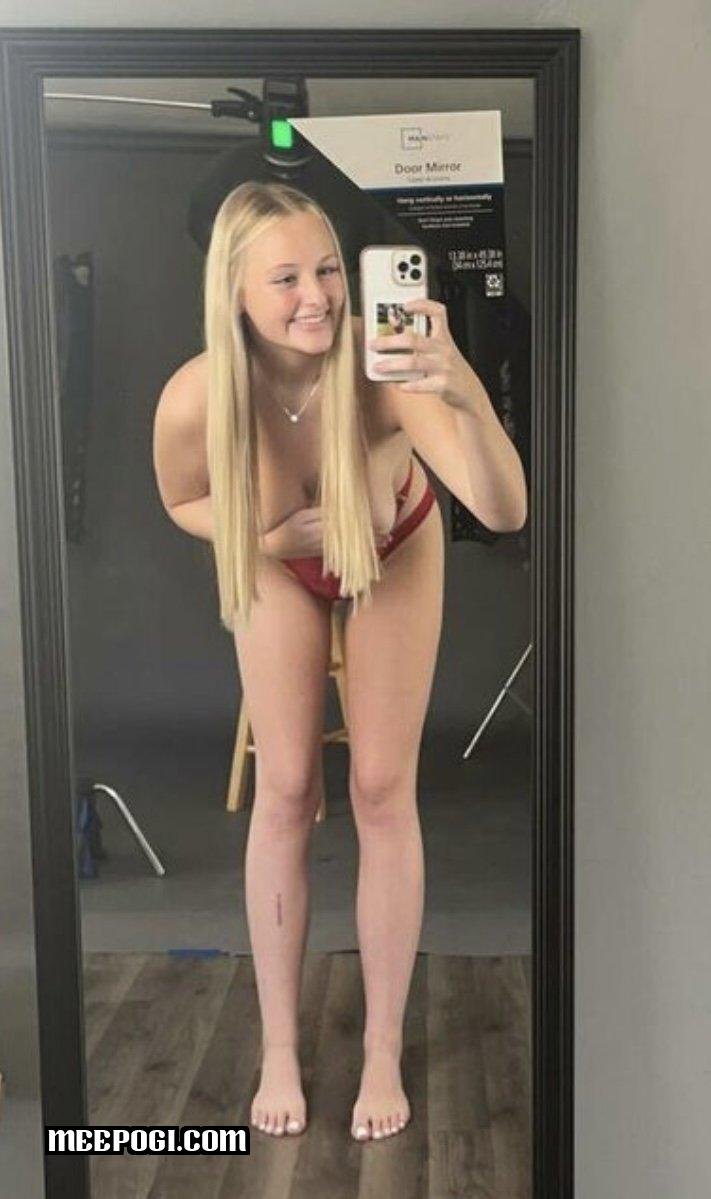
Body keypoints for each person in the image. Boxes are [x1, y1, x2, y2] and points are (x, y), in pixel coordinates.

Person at [152, 180, 527, 1143]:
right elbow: (182, 501)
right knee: (284, 788)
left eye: (326, 269)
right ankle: (280, 1045)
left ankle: (382, 1048)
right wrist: (264, 540)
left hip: (393, 546)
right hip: (278, 555)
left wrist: (462, 390)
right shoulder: (198, 394)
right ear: (234, 290)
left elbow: (503, 508)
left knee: (379, 787)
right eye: (285, 279)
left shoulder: (385, 369)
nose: (316, 296)